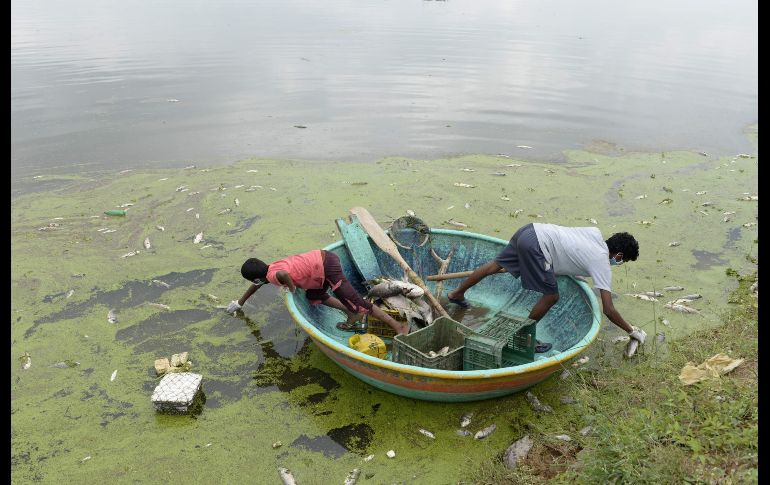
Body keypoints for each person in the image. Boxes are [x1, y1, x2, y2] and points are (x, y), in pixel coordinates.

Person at [446, 223, 646, 352]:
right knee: (551, 297)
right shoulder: (601, 262)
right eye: (623, 261)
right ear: (618, 256)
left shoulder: (594, 233)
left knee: (495, 264)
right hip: (538, 248)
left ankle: (456, 293)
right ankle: (523, 336)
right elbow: (609, 310)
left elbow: (571, 248)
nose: (619, 263)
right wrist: (632, 331)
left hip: (529, 230)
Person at [226, 249, 410, 335]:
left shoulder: (274, 274)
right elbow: (258, 284)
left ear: (257, 278)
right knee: (315, 295)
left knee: (362, 305)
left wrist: (291, 288)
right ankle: (349, 312)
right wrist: (240, 302)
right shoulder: (271, 268)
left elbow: (283, 274)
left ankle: (398, 327)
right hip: (322, 261)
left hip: (326, 267)